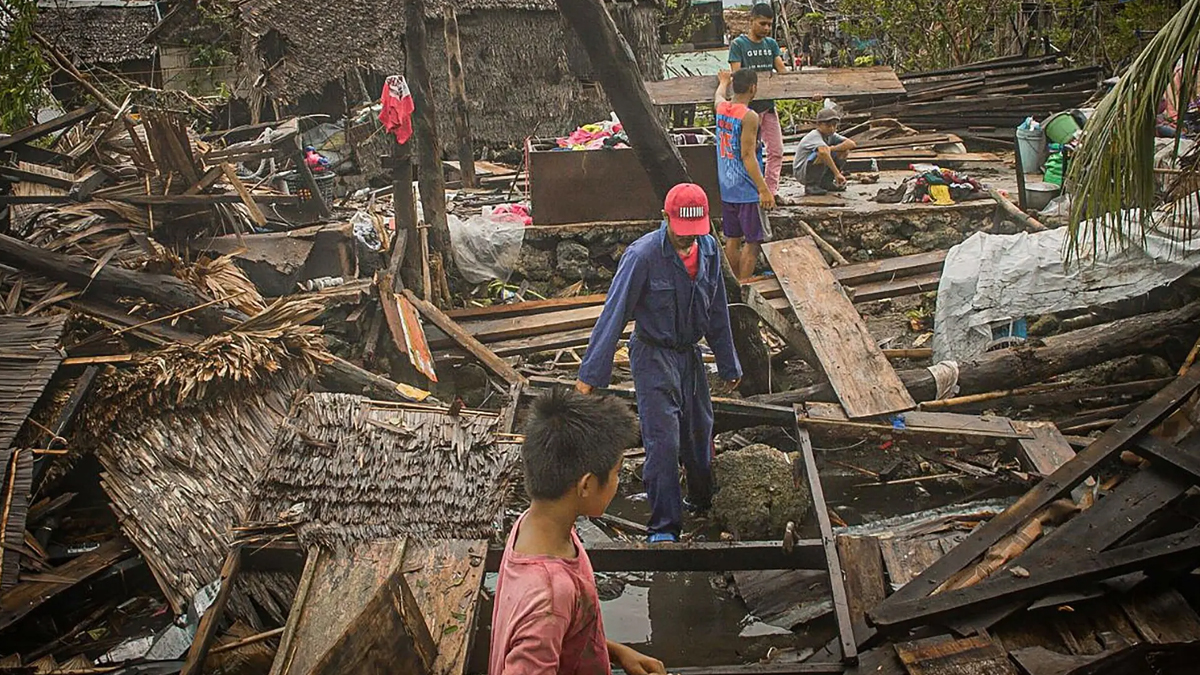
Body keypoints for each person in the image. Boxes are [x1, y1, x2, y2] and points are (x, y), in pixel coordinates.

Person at [575, 183, 742, 543]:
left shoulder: (709, 250)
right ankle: (665, 525)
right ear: (665, 218)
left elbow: (717, 311)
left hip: (689, 355)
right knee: (663, 441)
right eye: (681, 231)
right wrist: (591, 373)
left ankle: (700, 500)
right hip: (653, 355)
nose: (688, 239)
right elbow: (614, 314)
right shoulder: (643, 256)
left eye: (694, 232)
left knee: (700, 431)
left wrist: (729, 363)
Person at [489, 388, 666, 675]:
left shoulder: (534, 523)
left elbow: (563, 633)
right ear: (586, 485)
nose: (618, 481)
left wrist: (616, 652)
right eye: (617, 472)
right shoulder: (549, 596)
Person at [715, 68, 775, 280]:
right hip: (746, 187)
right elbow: (747, 155)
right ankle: (744, 282)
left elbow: (718, 95)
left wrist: (723, 82)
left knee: (732, 238)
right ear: (753, 88)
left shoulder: (722, 108)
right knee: (753, 241)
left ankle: (733, 282)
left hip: (727, 185)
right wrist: (763, 189)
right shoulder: (749, 116)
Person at [728, 3, 787, 199]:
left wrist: (805, 89)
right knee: (748, 151)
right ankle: (751, 192)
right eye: (762, 24)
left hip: (768, 107)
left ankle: (771, 192)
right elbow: (737, 76)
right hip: (747, 110)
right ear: (751, 21)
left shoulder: (771, 44)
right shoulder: (739, 45)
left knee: (776, 150)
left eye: (769, 24)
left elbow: (783, 73)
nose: (766, 28)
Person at [793, 108, 857, 196]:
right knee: (821, 153)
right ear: (818, 125)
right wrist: (837, 174)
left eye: (834, 125)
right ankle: (811, 185)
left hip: (817, 165)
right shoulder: (814, 135)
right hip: (802, 171)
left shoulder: (831, 135)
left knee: (844, 151)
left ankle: (826, 182)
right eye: (828, 125)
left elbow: (851, 144)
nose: (832, 128)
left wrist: (831, 149)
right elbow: (823, 152)